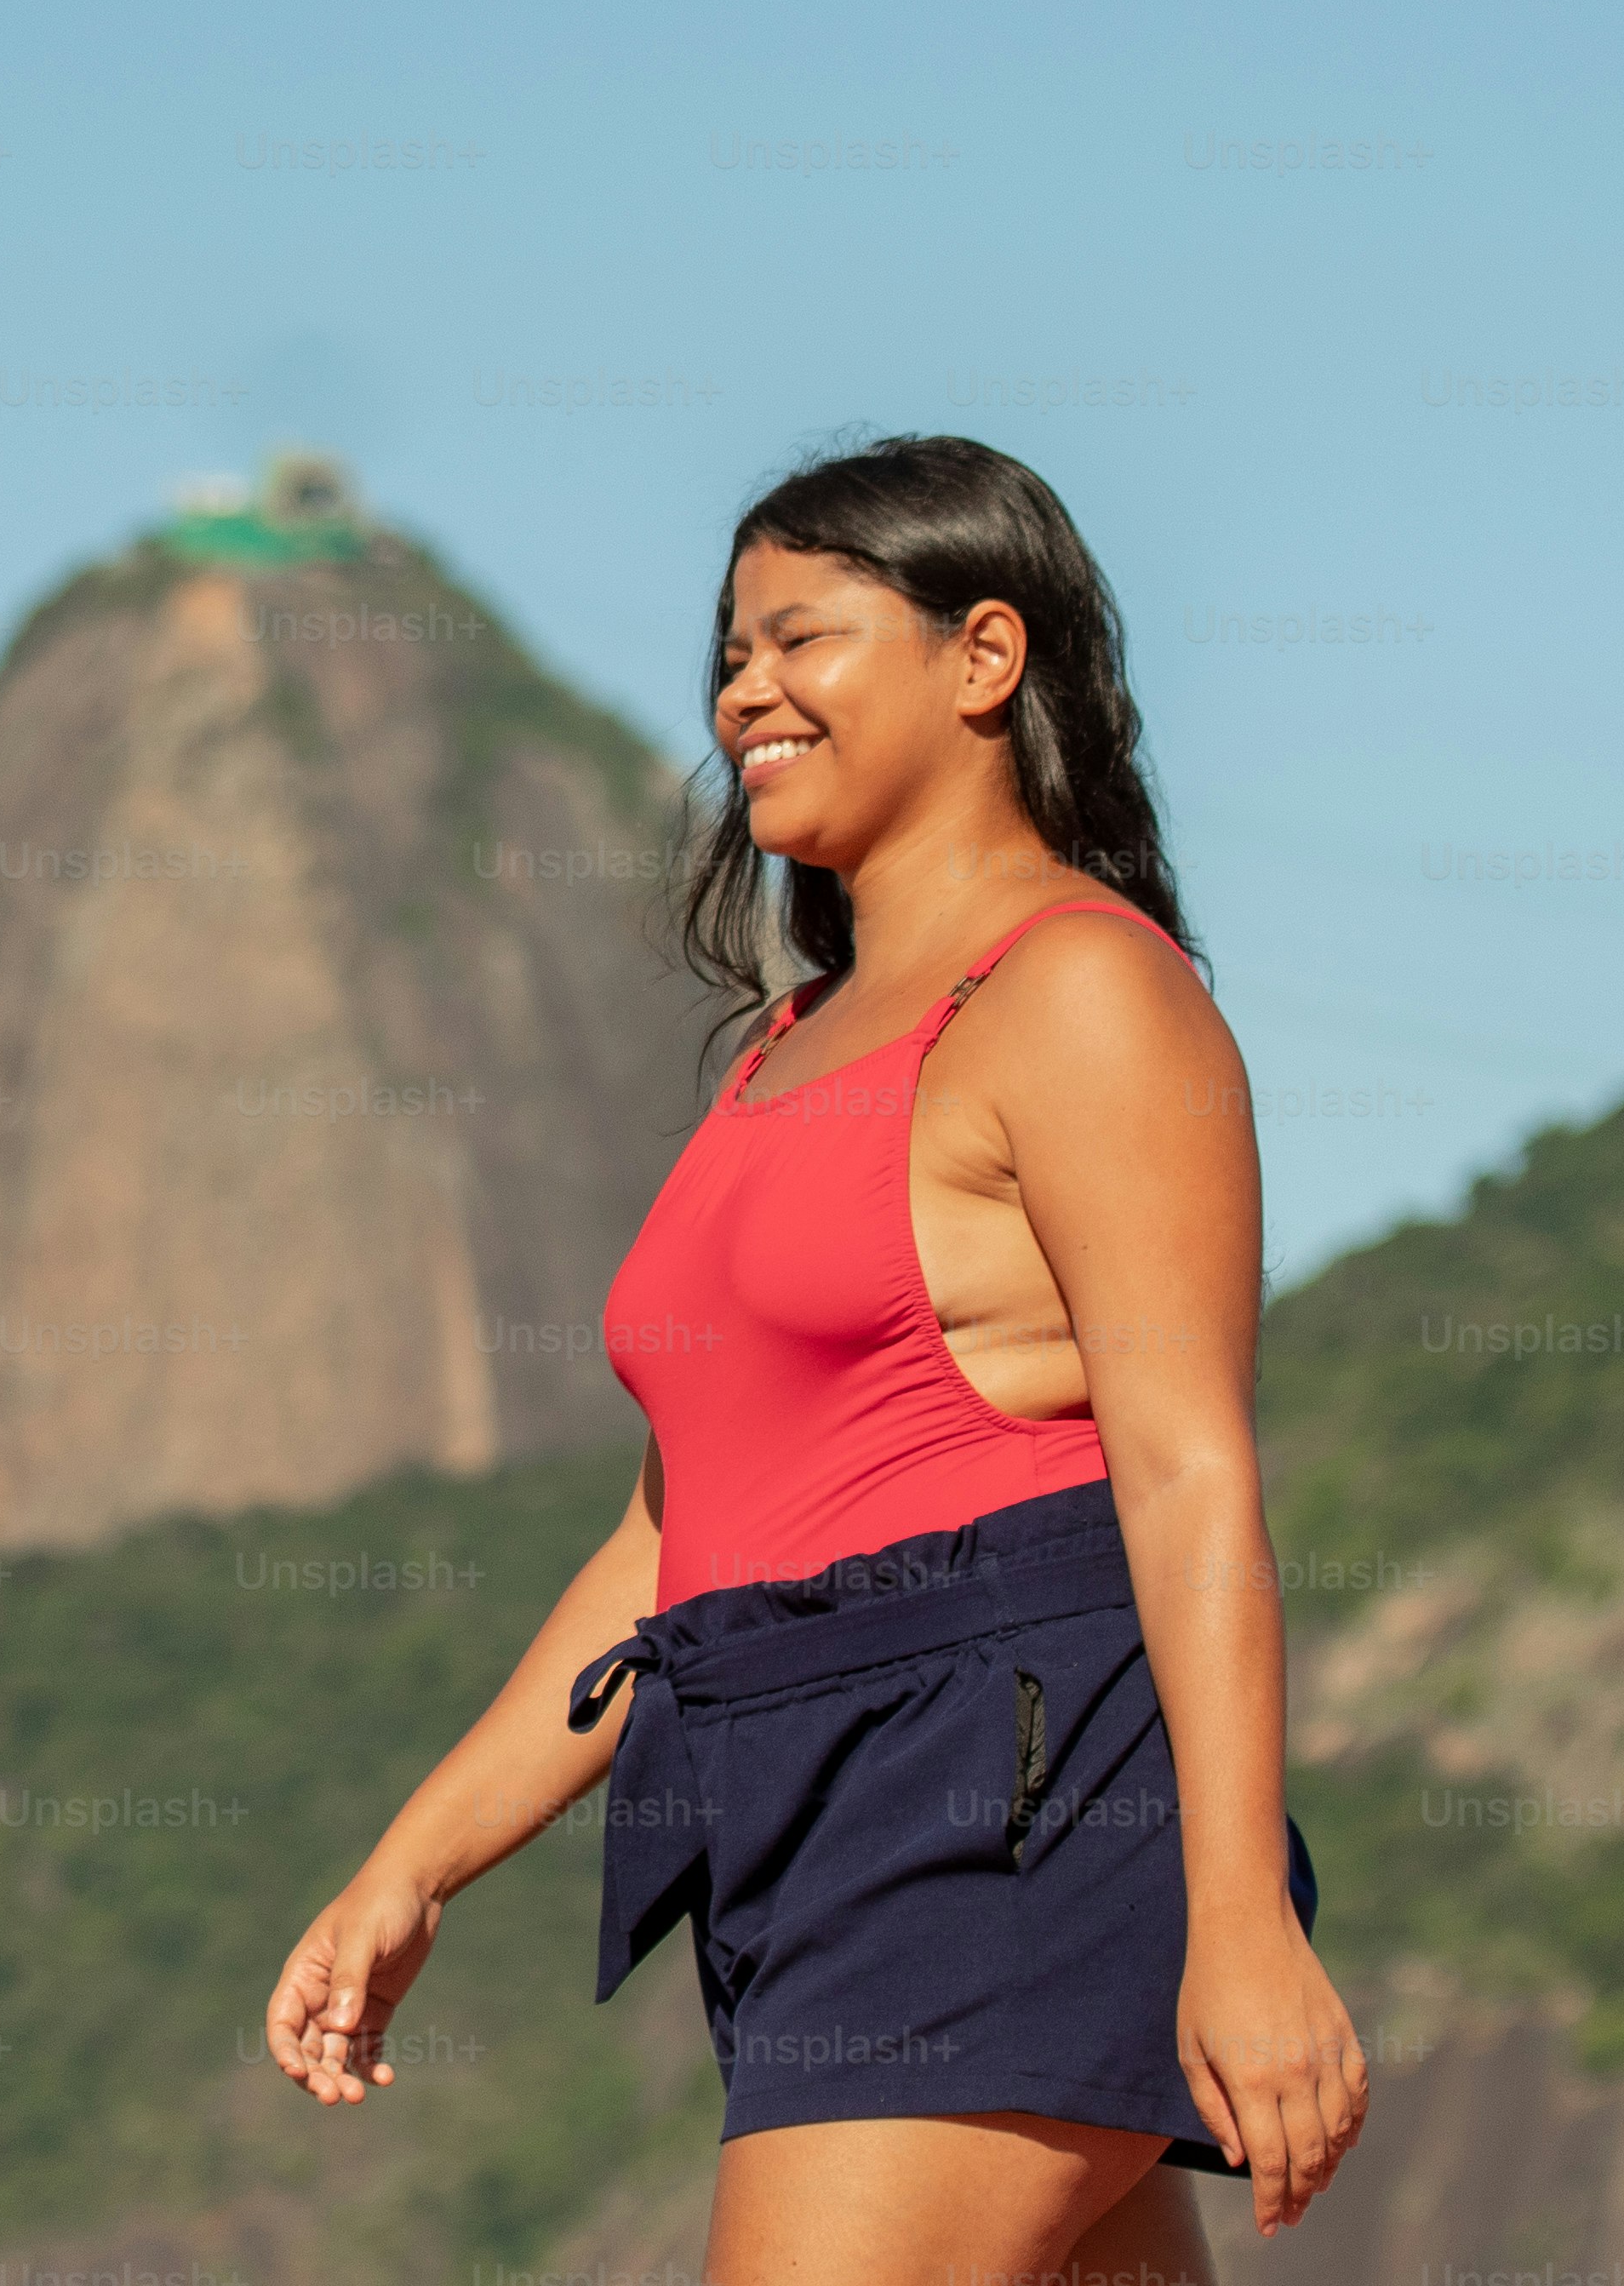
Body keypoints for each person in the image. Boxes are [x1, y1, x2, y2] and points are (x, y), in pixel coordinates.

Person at [264, 434, 1366, 2283]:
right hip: (789, 1802)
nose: (742, 690)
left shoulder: (1081, 992)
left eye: (800, 637)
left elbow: (1187, 1467)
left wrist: (1243, 1915)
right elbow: (666, 1546)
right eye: (726, 652)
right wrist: (415, 1859)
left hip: (1004, 1794)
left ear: (984, 654)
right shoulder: (774, 1055)